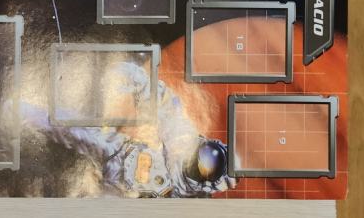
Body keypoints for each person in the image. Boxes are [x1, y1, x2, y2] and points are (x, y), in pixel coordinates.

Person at [20, 61, 236, 198]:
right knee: (72, 129)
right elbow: (163, 103)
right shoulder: (183, 139)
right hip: (121, 155)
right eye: (207, 155)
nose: (201, 161)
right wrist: (134, 78)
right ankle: (16, 112)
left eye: (207, 167)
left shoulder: (191, 202)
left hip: (122, 197)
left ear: (208, 183)